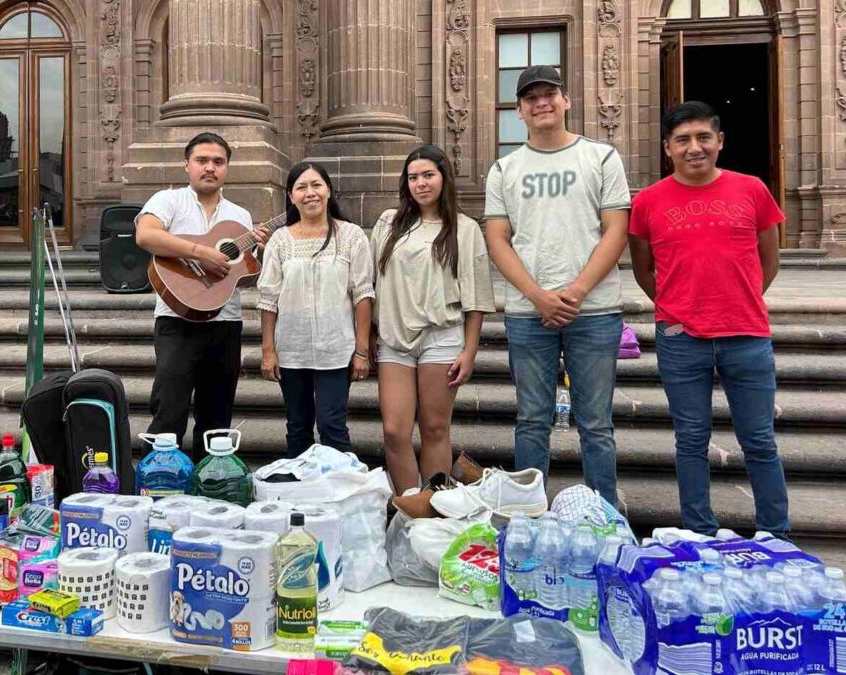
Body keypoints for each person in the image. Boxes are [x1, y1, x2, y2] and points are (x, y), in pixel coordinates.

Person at [629, 101, 789, 538]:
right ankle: (699, 530)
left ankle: (776, 534)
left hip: (747, 335)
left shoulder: (752, 189)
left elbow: (768, 259)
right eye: (682, 140)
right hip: (681, 339)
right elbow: (644, 269)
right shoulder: (647, 202)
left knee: (759, 441)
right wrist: (674, 311)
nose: (693, 148)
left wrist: (739, 300)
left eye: (703, 137)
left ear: (719, 141)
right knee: (691, 440)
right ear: (668, 148)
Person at [483, 65, 630, 507]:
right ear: (519, 111)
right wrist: (538, 296)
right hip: (529, 314)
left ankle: (603, 514)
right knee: (531, 419)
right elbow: (497, 239)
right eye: (531, 98)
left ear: (566, 100)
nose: (541, 102)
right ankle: (530, 515)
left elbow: (616, 230)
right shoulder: (504, 169)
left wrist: (577, 291)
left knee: (596, 423)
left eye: (550, 94)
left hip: (596, 310)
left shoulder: (601, 157)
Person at [135, 132, 269, 461]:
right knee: (169, 408)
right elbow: (146, 235)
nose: (210, 168)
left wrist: (258, 255)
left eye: (218, 162)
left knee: (217, 414)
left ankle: (210, 485)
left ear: (227, 168)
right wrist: (200, 252)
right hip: (176, 319)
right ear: (187, 165)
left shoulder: (240, 216)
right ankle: (160, 485)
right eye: (202, 160)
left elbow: (241, 276)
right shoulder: (168, 201)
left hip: (225, 322)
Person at [372, 144, 496, 496]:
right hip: (394, 336)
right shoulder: (388, 223)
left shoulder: (465, 228)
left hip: (441, 337)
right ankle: (411, 506)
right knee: (394, 431)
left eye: (428, 175)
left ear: (444, 177)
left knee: (434, 427)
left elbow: (477, 297)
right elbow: (370, 283)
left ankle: (434, 508)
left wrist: (469, 351)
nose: (420, 183)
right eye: (413, 177)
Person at [257, 162, 375, 456]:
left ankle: (339, 493)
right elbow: (269, 299)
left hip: (336, 350)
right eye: (301, 187)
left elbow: (362, 294)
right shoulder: (281, 240)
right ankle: (301, 495)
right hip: (291, 350)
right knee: (297, 426)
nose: (310, 193)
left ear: (328, 190)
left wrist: (361, 351)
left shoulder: (350, 236)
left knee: (332, 425)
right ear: (291, 196)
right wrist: (268, 351)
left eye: (316, 185)